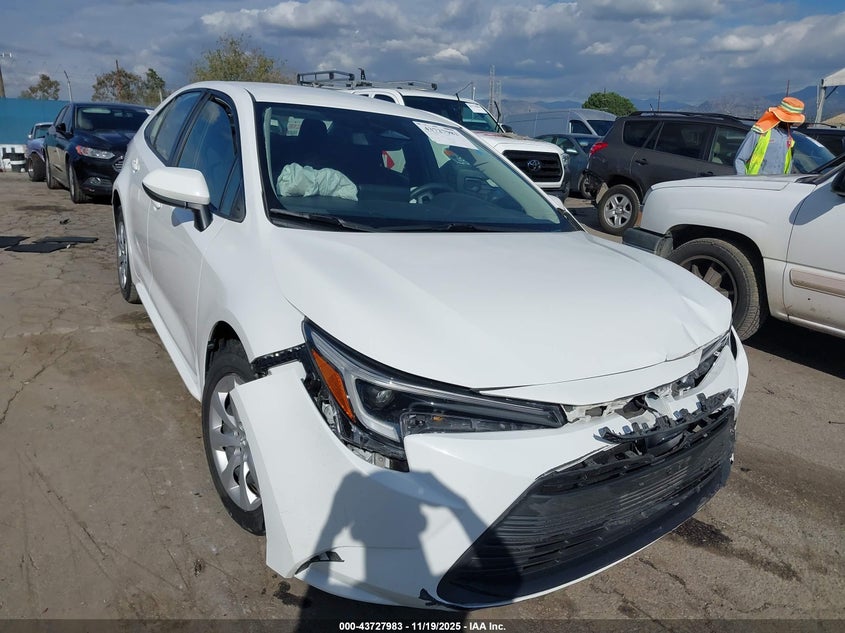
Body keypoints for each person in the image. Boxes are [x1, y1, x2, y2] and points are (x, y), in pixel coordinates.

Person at [734, 96, 805, 175]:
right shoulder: (760, 131)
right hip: (754, 183)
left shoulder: (789, 138)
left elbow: (788, 165)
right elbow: (740, 160)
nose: (791, 123)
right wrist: (742, 182)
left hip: (778, 184)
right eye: (790, 120)